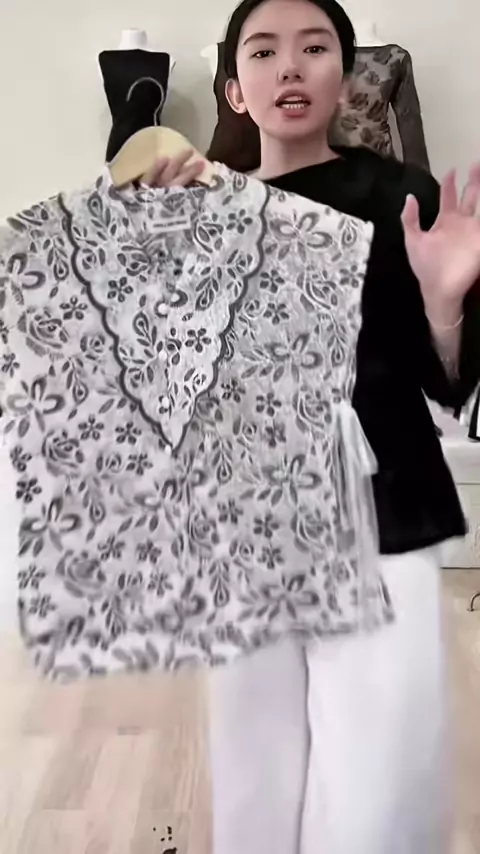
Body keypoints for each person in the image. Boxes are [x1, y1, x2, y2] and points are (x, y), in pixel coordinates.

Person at [146, 1, 480, 851]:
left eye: (314, 48)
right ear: (235, 89)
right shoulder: (199, 207)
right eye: (263, 52)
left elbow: (446, 383)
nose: (289, 66)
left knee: (381, 769)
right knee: (254, 761)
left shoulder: (403, 197)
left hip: (384, 506)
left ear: (346, 78)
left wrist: (445, 301)